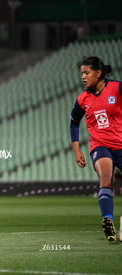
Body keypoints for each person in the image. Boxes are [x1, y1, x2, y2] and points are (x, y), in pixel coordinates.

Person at [70, 56, 122, 242]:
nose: (83, 77)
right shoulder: (83, 98)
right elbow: (74, 123)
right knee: (106, 178)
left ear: (98, 73)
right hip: (100, 146)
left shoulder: (117, 88)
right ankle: (107, 220)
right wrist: (76, 150)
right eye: (81, 73)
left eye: (86, 73)